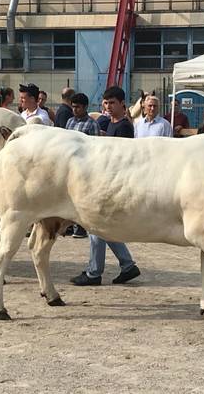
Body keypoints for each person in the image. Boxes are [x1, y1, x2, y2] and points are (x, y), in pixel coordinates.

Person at [70, 86, 140, 286]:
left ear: (122, 104)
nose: (108, 107)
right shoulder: (111, 123)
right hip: (106, 180)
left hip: (114, 182)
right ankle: (127, 265)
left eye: (112, 103)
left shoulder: (124, 126)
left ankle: (94, 273)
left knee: (95, 226)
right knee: (103, 228)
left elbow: (122, 158)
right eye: (106, 103)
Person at [65, 92, 100, 239]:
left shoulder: (92, 124)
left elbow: (97, 146)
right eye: (73, 107)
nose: (75, 110)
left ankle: (81, 227)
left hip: (86, 166)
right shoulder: (69, 122)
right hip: (69, 165)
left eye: (78, 107)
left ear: (85, 107)